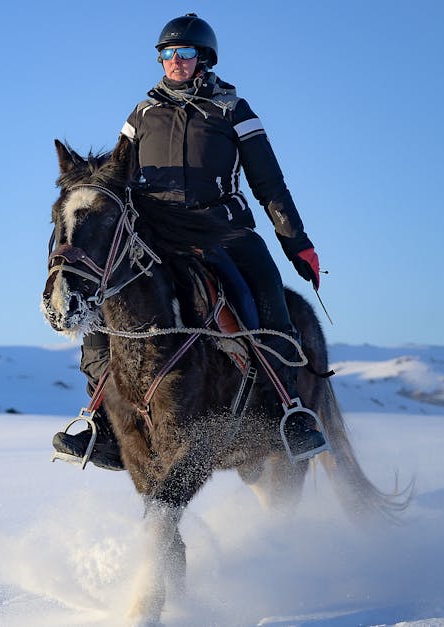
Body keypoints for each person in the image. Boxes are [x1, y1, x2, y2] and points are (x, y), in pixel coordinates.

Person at [53, 12, 328, 470]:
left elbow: (270, 185)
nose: (175, 62)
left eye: (184, 54)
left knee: (263, 303)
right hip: (159, 237)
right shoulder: (142, 114)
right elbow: (117, 175)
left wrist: (297, 243)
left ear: (204, 59)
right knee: (102, 310)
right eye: (167, 55)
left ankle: (288, 413)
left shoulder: (233, 110)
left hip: (225, 231)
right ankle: (102, 423)